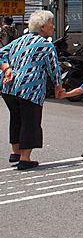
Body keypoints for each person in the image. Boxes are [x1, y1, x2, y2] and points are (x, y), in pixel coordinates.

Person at [0, 10, 62, 170]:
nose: (53, 27)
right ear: (42, 27)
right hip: (30, 88)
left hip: (9, 88)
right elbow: (54, 69)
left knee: (16, 118)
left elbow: (1, 54)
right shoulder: (47, 45)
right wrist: (58, 87)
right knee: (30, 121)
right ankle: (25, 158)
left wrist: (7, 68)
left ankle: (16, 152)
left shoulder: (20, 40)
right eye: (51, 23)